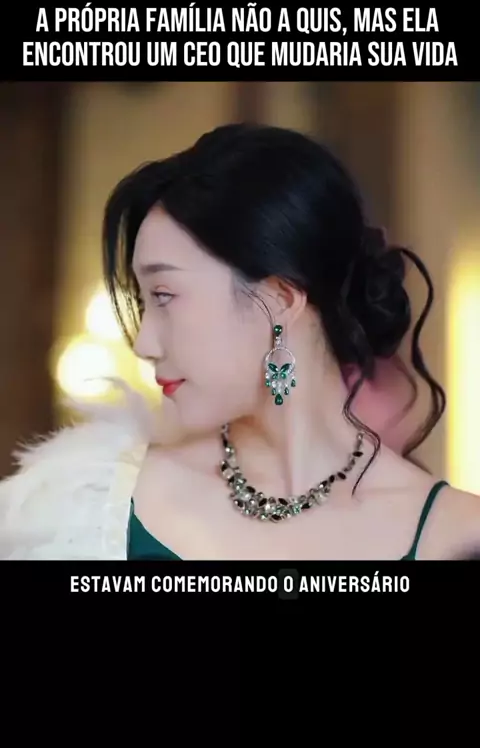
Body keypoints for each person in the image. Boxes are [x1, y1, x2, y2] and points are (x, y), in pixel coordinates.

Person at [0, 123, 479, 561]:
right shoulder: (84, 512)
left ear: (278, 300)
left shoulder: (456, 534)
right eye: (143, 302)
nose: (143, 343)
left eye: (164, 295)